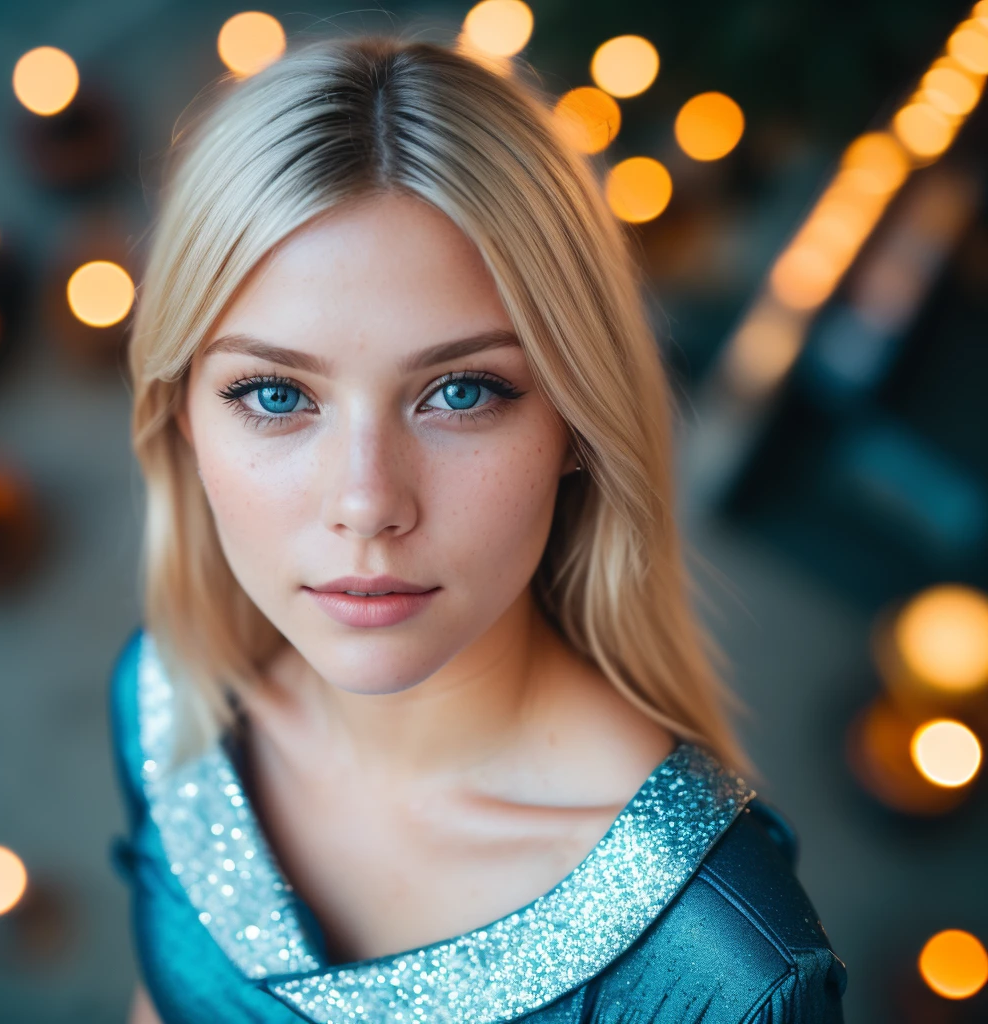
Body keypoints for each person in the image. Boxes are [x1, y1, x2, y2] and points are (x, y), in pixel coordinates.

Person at [108, 31, 847, 1024]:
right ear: (181, 415)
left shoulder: (723, 969)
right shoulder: (165, 704)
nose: (367, 502)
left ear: (574, 424)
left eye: (461, 390)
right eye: (276, 393)